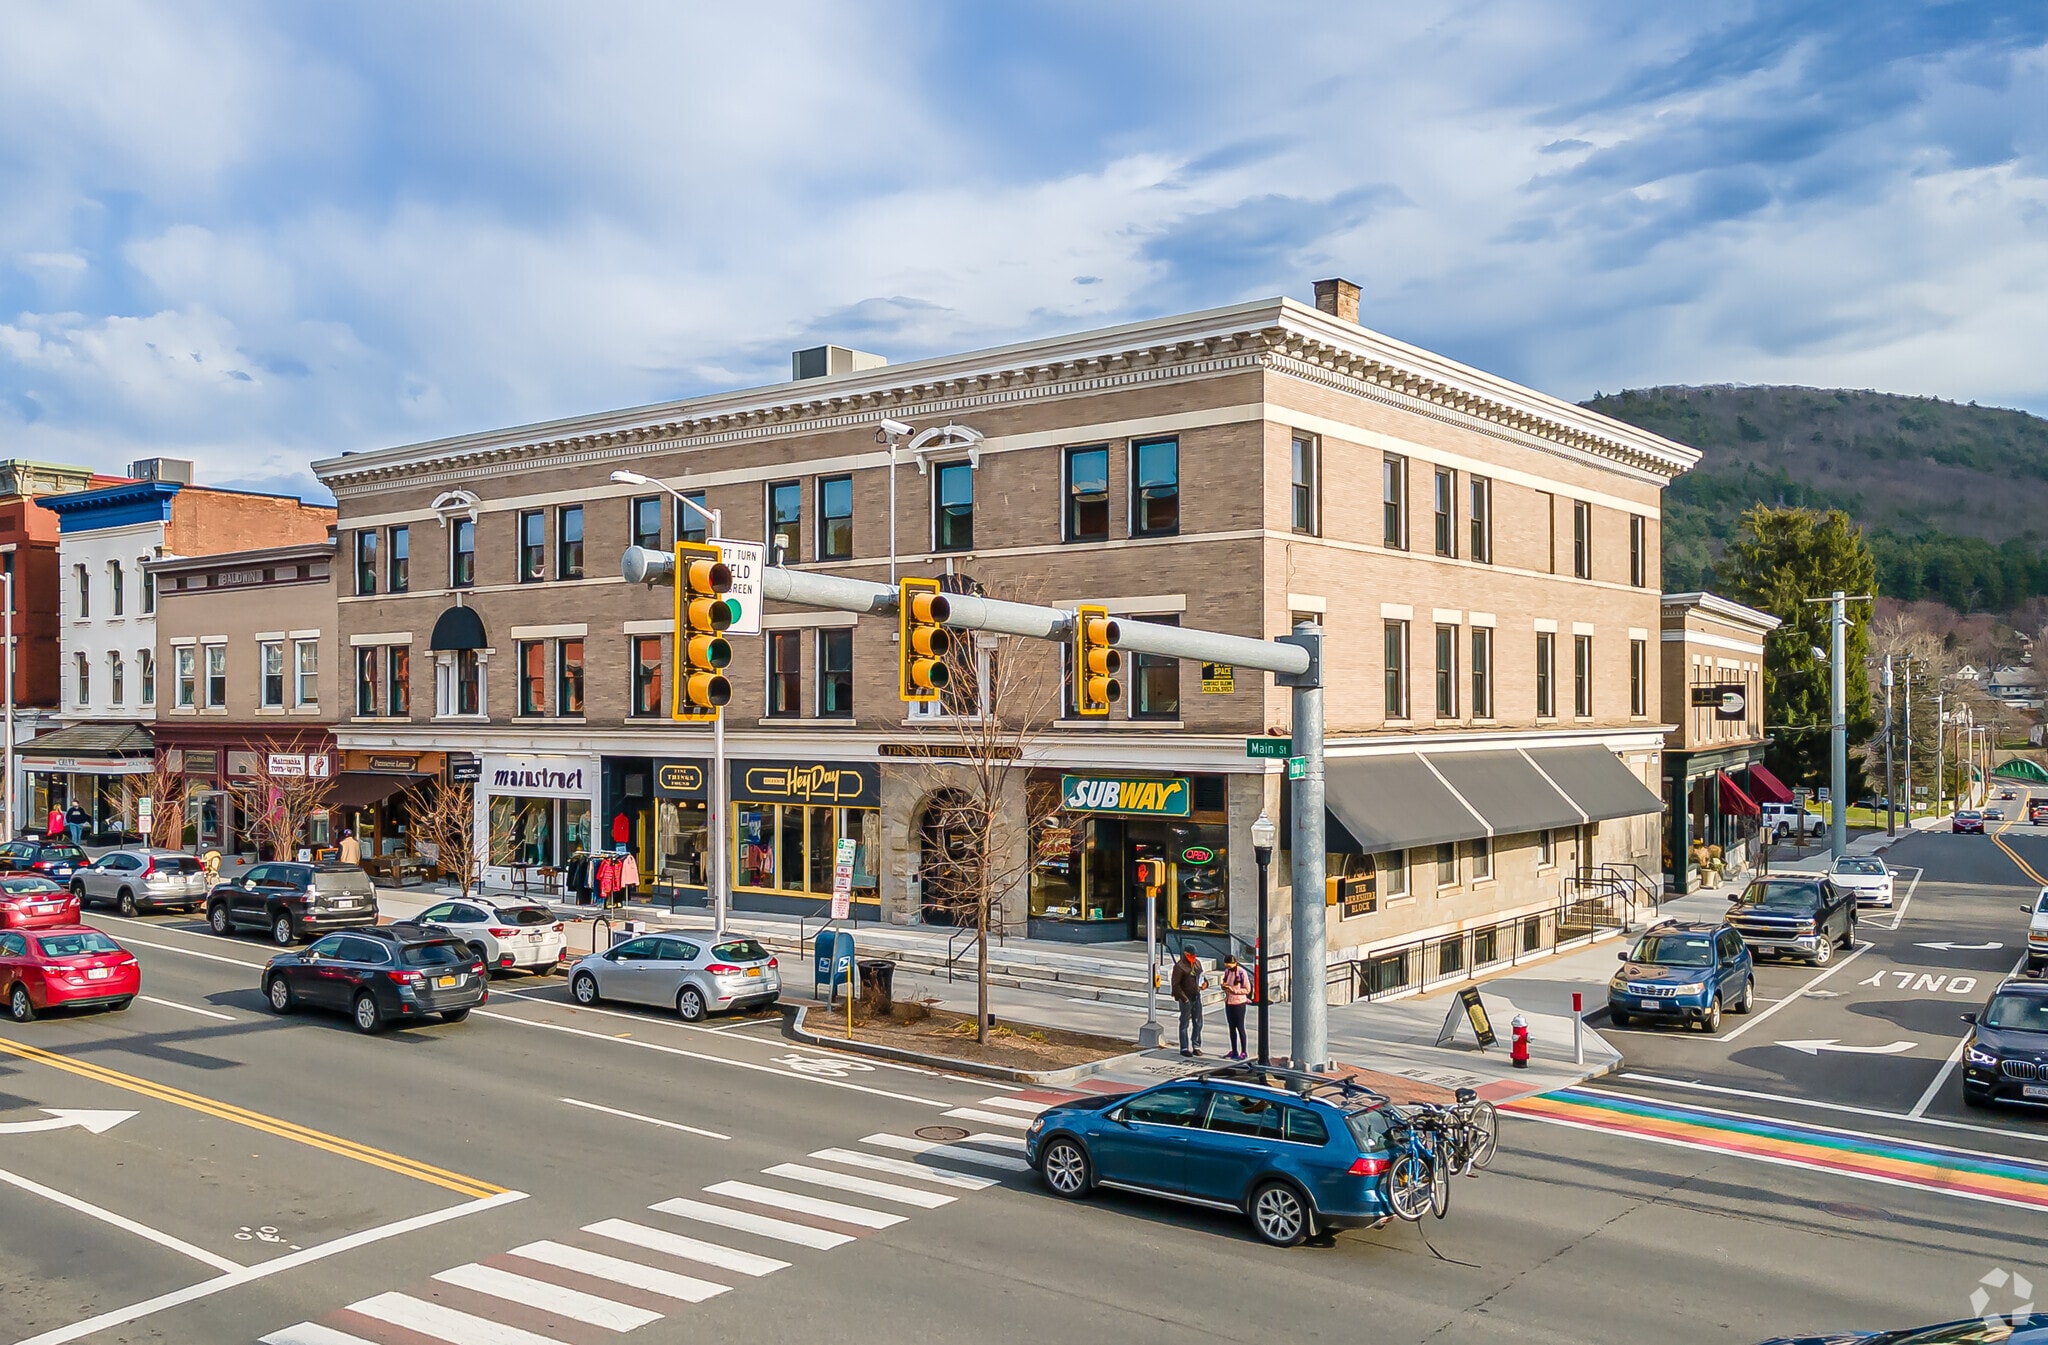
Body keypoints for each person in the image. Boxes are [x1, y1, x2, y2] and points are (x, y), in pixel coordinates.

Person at [1169, 947, 1209, 1058]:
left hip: (1196, 996)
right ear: (1185, 954)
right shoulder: (1179, 966)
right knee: (1184, 1022)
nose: (1193, 957)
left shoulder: (1197, 963)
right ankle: (1184, 1047)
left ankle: (1196, 1046)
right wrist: (1184, 999)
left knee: (1198, 1022)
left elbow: (1202, 977)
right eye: (1190, 955)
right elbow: (1175, 985)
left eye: (1194, 955)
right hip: (1185, 997)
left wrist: (1205, 983)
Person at [1220, 954, 1253, 1061]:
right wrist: (1224, 987)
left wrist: (1234, 991)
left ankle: (1244, 1051)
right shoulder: (1227, 972)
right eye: (1227, 966)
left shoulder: (1241, 972)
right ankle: (1234, 1050)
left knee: (1240, 1027)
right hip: (1229, 1002)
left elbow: (1247, 989)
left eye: (1230, 966)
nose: (1228, 968)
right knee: (1231, 1027)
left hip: (1239, 1003)